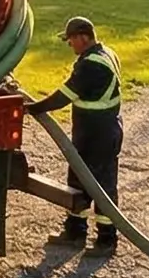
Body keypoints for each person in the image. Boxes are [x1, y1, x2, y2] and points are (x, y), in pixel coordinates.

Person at [26, 15, 124, 250]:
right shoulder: (107, 53)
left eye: (71, 40)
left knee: (101, 186)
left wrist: (32, 108)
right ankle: (75, 231)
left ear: (83, 37)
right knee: (80, 181)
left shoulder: (92, 64)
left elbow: (63, 97)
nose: (69, 45)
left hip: (96, 135)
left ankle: (106, 239)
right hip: (100, 132)